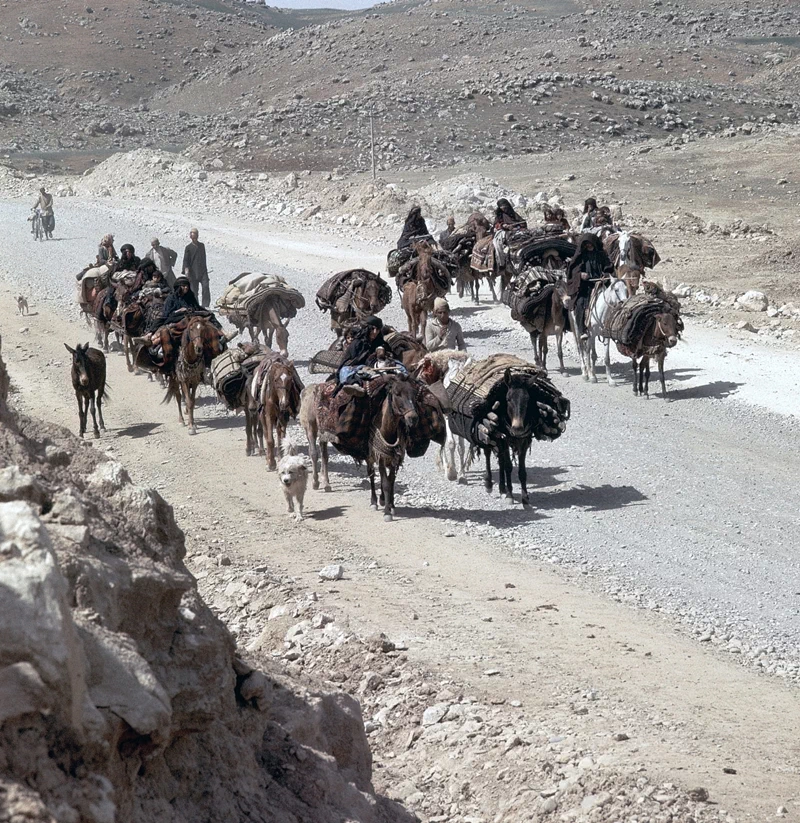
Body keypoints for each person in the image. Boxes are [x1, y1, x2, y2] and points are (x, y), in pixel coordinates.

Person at [565, 234, 614, 339]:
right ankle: (582, 329)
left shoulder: (601, 255)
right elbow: (573, 271)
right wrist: (580, 275)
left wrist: (605, 275)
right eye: (586, 244)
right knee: (580, 303)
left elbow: (608, 267)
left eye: (590, 244)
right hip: (585, 286)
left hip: (600, 284)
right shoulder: (580, 256)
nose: (589, 246)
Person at [335, 315, 386, 396]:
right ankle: (355, 385)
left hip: (377, 368)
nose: (375, 332)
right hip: (358, 369)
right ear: (367, 328)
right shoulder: (357, 343)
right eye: (372, 329)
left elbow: (389, 355)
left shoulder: (380, 343)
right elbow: (351, 362)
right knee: (345, 370)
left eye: (378, 329)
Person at [182, 228, 210, 308]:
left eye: (195, 236)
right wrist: (186, 270)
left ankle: (205, 305)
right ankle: (196, 305)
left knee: (205, 287)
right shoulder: (188, 247)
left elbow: (204, 258)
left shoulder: (201, 245)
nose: (194, 238)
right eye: (192, 236)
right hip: (193, 272)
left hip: (202, 271)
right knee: (194, 290)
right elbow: (186, 260)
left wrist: (205, 270)